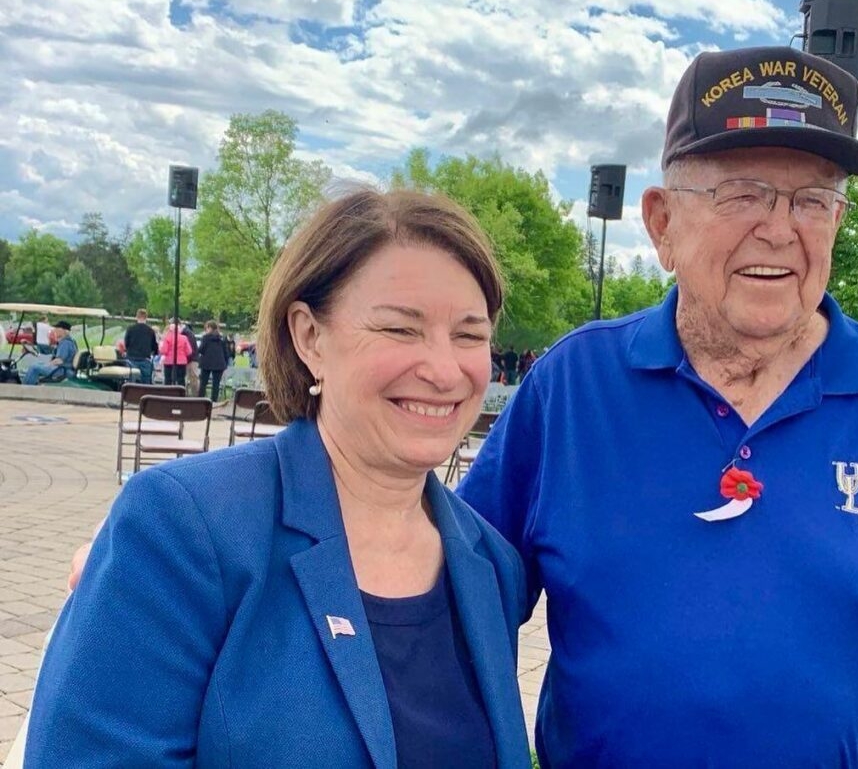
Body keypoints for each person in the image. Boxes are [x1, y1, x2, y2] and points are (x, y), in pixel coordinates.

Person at [459, 46, 858, 766]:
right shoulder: (571, 387)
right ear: (661, 224)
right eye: (742, 193)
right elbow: (455, 622)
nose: (780, 229)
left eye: (812, 199)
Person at [26, 189, 531, 768]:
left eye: (469, 335)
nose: (444, 370)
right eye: (400, 329)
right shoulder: (186, 528)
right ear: (309, 336)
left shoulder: (489, 564)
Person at [21, 321, 77, 385]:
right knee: (38, 364)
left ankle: (25, 390)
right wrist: (31, 345)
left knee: (34, 368)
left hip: (62, 370)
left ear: (64, 330)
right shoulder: (68, 341)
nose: (54, 329)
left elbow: (59, 361)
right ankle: (32, 384)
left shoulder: (65, 343)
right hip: (63, 369)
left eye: (57, 328)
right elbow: (51, 350)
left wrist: (48, 365)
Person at [122, 308, 159, 384]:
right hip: (145, 359)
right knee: (145, 382)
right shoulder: (150, 331)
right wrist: (154, 353)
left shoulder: (130, 329)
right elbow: (154, 346)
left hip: (131, 359)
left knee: (131, 381)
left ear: (136, 317)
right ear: (146, 318)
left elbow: (126, 343)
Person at [197, 320, 230, 401]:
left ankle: (200, 400)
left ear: (209, 328)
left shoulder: (205, 338)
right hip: (219, 363)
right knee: (216, 384)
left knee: (203, 383)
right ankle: (213, 400)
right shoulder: (221, 339)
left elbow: (201, 349)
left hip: (206, 363)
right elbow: (226, 353)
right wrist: (225, 363)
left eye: (206, 328)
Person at [158, 320, 192, 387]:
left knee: (168, 379)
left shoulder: (167, 338)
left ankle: (168, 394)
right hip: (181, 362)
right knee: (181, 379)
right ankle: (180, 394)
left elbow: (164, 351)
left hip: (169, 362)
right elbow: (189, 351)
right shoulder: (184, 338)